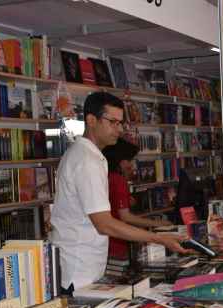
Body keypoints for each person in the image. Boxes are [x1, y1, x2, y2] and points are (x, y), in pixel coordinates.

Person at [50, 92, 187, 294]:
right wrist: (158, 238)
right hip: (77, 271)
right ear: (91, 120)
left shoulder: (88, 155)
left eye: (120, 123)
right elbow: (104, 224)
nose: (119, 129)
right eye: (113, 122)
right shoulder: (86, 160)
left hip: (82, 266)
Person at [101, 138, 173, 261]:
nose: (132, 165)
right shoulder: (118, 180)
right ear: (122, 161)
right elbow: (125, 217)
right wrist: (160, 223)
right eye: (130, 160)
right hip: (117, 243)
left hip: (106, 242)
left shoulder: (105, 176)